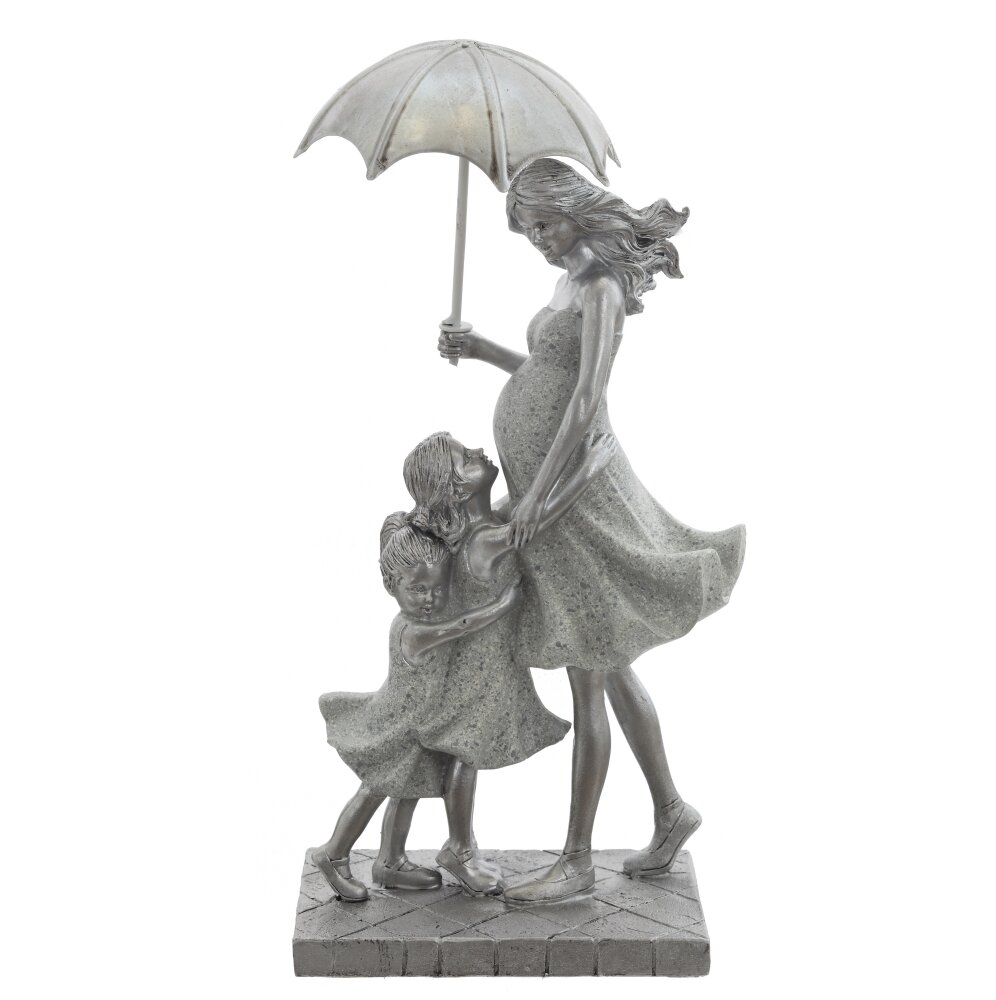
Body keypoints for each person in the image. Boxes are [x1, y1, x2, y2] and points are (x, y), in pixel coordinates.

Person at [438, 158, 745, 903]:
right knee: (607, 662)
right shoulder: (566, 282)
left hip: (576, 501)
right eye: (527, 230)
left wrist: (537, 496)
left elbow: (584, 401)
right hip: (549, 495)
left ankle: (577, 860)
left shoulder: (602, 287)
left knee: (589, 672)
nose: (538, 239)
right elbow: (544, 371)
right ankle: (671, 811)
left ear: (575, 210)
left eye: (544, 223)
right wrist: (482, 350)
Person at [397, 429, 617, 890]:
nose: (478, 450)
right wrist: (587, 470)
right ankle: (459, 848)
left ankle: (446, 847)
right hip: (480, 669)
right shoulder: (484, 540)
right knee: (466, 754)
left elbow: (519, 510)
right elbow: (538, 520)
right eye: (466, 457)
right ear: (459, 489)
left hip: (484, 664)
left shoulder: (478, 526)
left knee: (463, 753)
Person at [311, 513, 521, 901]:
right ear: (392, 585)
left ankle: (390, 862)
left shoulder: (417, 618)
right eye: (418, 589)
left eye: (437, 588)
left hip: (418, 726)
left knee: (405, 791)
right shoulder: (411, 630)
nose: (429, 599)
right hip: (400, 725)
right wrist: (502, 604)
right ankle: (333, 853)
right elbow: (460, 625)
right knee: (374, 789)